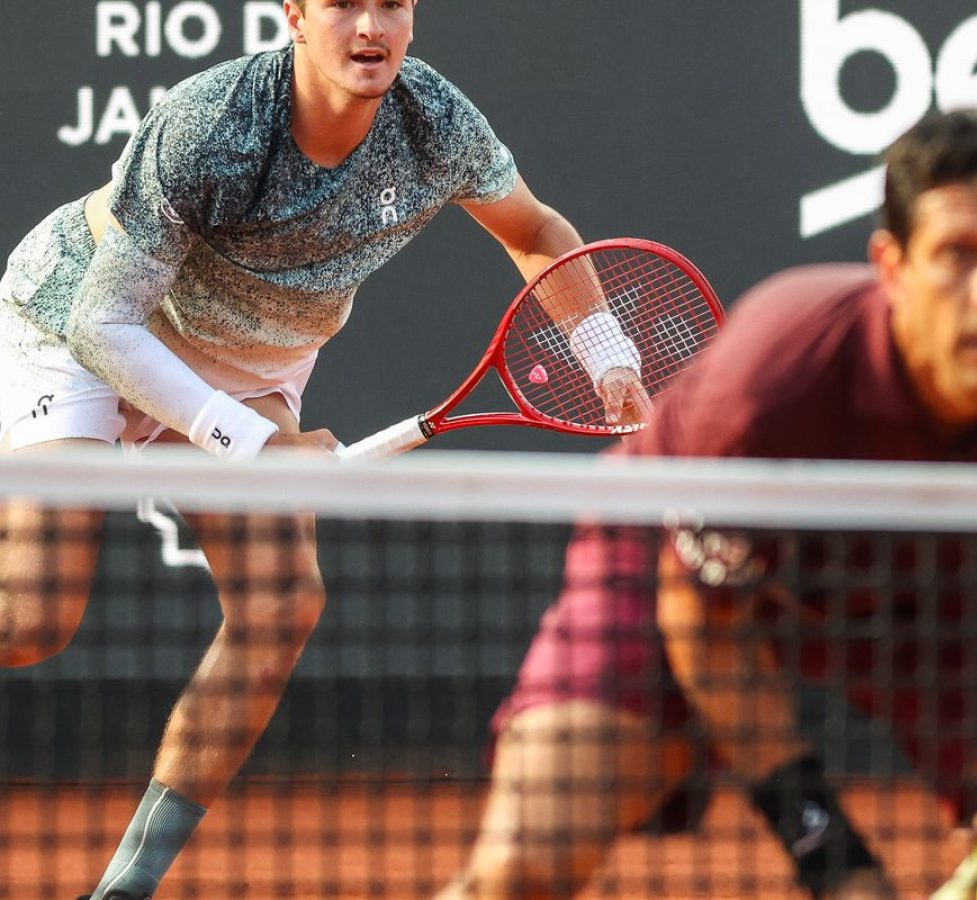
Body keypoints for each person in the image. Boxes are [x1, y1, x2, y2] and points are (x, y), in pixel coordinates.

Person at [0, 2, 648, 898]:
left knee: (281, 605)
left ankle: (124, 892)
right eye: (343, 3)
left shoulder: (435, 121)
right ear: (295, 15)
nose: (369, 25)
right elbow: (102, 325)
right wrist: (253, 445)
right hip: (84, 324)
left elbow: (534, 231)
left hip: (249, 357)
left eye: (391, 4)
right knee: (32, 618)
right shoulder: (215, 123)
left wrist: (608, 353)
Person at [439, 107, 977, 899]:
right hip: (669, 568)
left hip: (942, 584)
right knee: (524, 866)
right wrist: (832, 858)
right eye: (958, 254)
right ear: (892, 266)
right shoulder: (772, 385)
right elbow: (707, 624)